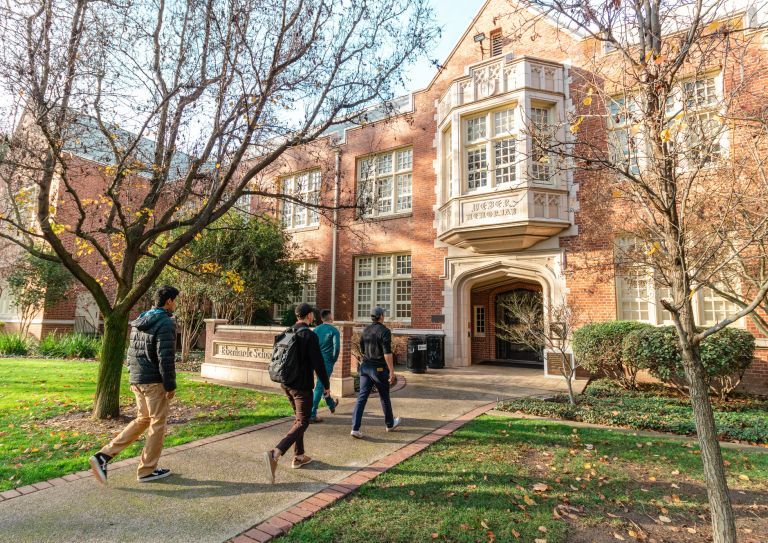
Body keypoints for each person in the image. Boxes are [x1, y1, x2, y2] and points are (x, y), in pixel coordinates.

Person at [89, 285, 179, 484]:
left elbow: (131, 353)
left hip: (137, 380)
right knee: (157, 424)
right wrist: (170, 385)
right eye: (175, 300)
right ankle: (147, 470)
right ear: (169, 301)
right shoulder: (165, 322)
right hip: (154, 382)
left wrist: (133, 376)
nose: (175, 304)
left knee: (143, 419)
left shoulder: (141, 320)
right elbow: (166, 357)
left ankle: (103, 456)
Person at [264, 303, 330, 483]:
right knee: (303, 421)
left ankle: (299, 456)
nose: (313, 318)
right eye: (312, 315)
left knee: (298, 419)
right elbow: (318, 363)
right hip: (301, 386)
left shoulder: (287, 332)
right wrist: (326, 385)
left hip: (285, 383)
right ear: (308, 316)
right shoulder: (308, 334)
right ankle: (275, 452)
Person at [351, 306, 401, 439]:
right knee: (384, 397)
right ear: (381, 316)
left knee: (362, 397)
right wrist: (391, 371)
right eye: (384, 314)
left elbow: (362, 349)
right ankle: (390, 424)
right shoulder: (385, 331)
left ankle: (355, 428)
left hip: (365, 367)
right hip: (378, 369)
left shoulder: (365, 330)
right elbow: (387, 353)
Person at [309, 309, 340, 423]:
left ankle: (331, 404)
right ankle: (312, 414)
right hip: (326, 362)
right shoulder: (334, 331)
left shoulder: (315, 330)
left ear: (321, 319)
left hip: (315, 360)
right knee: (320, 386)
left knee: (324, 383)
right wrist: (333, 360)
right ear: (331, 317)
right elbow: (336, 348)